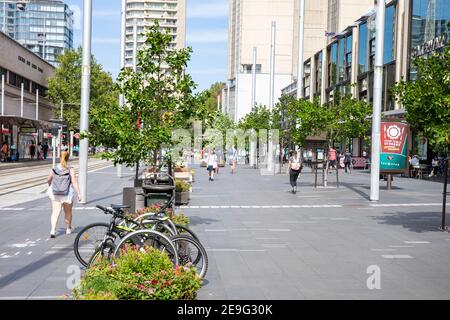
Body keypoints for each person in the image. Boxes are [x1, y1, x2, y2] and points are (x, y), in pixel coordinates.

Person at [46, 151, 81, 238]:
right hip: (67, 194)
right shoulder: (70, 169)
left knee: (55, 212)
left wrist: (51, 185)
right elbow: (74, 182)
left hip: (56, 193)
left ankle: (53, 230)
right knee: (68, 212)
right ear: (68, 158)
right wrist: (79, 193)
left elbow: (48, 180)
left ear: (59, 157)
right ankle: (68, 228)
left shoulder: (54, 169)